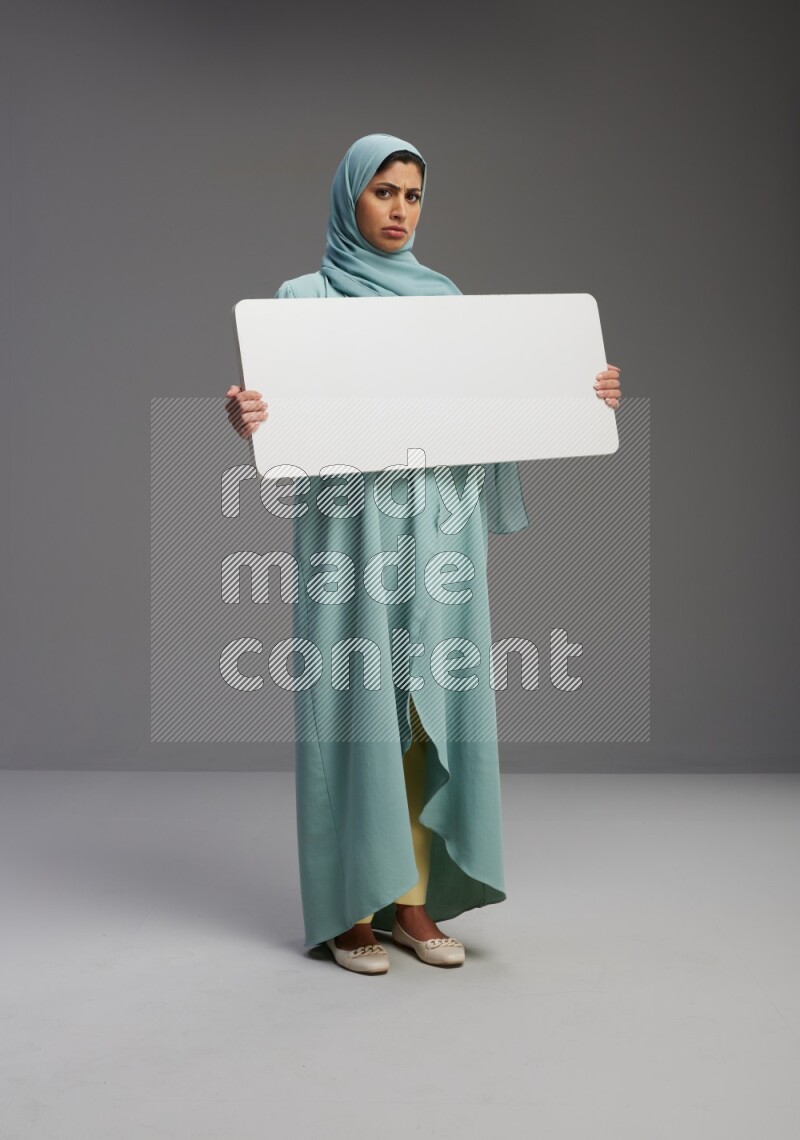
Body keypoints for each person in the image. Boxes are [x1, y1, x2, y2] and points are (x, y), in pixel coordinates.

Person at [226, 133, 622, 975]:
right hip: (348, 533)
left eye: (412, 195)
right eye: (383, 192)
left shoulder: (445, 298)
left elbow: (491, 410)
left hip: (440, 529)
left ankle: (413, 903)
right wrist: (253, 420)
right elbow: (288, 422)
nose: (400, 209)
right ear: (348, 199)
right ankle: (350, 913)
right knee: (354, 711)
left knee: (422, 714)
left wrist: (576, 394)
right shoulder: (303, 298)